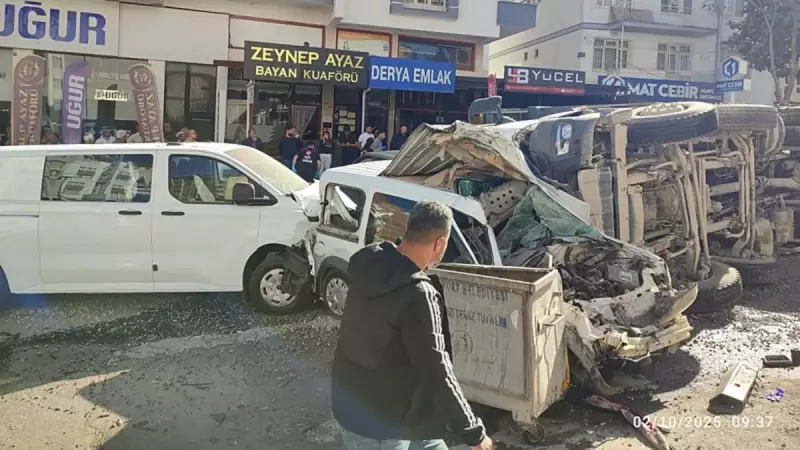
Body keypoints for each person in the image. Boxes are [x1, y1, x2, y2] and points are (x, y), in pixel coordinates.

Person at [331, 200, 492, 450]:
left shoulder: (368, 262)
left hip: (360, 404)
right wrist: (474, 432)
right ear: (440, 244)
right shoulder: (417, 294)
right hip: (385, 424)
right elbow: (437, 369)